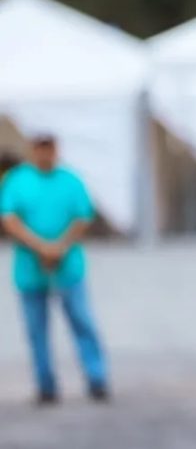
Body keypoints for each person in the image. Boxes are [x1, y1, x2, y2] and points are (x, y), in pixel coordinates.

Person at [0, 133, 108, 404]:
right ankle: (45, 383)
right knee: (37, 331)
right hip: (31, 267)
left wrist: (58, 247)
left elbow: (83, 217)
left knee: (82, 322)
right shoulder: (17, 180)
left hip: (67, 266)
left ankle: (97, 378)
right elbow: (9, 219)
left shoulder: (70, 180)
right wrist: (42, 247)